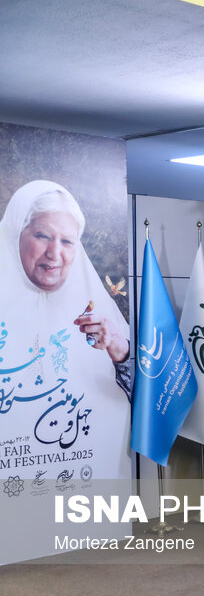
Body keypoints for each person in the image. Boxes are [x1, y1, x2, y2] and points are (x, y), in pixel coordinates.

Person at [0, 180, 131, 481]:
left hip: (81, 476)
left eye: (68, 241)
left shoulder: (97, 312)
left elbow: (150, 399)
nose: (54, 253)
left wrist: (120, 351)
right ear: (13, 236)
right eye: (42, 236)